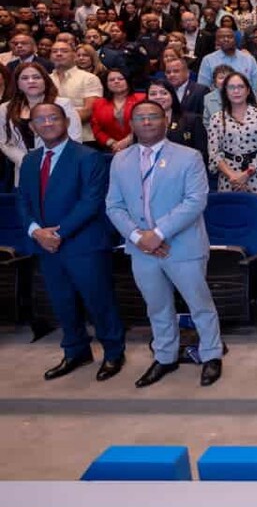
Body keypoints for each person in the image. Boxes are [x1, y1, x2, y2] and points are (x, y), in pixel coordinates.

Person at [105, 99, 223, 388]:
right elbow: (114, 206)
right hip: (141, 250)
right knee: (157, 306)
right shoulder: (120, 159)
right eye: (140, 117)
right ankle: (165, 356)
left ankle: (211, 354)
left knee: (200, 304)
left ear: (165, 120)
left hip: (182, 246)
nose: (147, 122)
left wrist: (157, 234)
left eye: (153, 116)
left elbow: (195, 201)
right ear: (131, 124)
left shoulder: (189, 157)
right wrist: (139, 237)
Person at [18, 102, 125, 381]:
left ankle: (113, 353)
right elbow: (23, 201)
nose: (47, 123)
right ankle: (76, 351)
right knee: (62, 302)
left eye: (53, 118)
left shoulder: (88, 157)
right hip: (46, 246)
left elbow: (91, 201)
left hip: (84, 244)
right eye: (41, 120)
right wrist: (35, 231)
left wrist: (57, 234)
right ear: (33, 127)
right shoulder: (30, 160)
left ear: (66, 122)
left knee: (99, 301)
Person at [1, 63, 83, 183]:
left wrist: (48, 160)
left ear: (45, 81)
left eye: (36, 77)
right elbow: (4, 142)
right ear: (17, 83)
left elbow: (75, 138)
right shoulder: (5, 108)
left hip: (60, 167)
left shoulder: (63, 104)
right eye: (25, 78)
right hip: (24, 169)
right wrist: (27, 161)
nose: (31, 81)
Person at [207, 72, 257, 203]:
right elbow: (214, 154)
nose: (236, 91)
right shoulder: (216, 118)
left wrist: (245, 175)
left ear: (248, 90)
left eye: (241, 87)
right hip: (228, 179)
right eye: (231, 87)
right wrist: (233, 176)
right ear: (225, 91)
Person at [48, 41, 102, 148]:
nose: (59, 54)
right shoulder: (45, 80)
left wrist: (54, 122)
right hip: (50, 139)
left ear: (74, 55)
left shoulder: (89, 78)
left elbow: (89, 110)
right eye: (54, 51)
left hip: (84, 138)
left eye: (64, 51)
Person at [145, 80, 208, 166]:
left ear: (172, 95)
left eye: (164, 93)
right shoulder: (142, 122)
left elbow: (202, 154)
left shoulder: (192, 120)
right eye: (153, 94)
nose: (158, 97)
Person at [91, 69, 145, 153]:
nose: (116, 81)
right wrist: (113, 143)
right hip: (112, 150)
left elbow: (146, 123)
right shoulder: (98, 103)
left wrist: (128, 140)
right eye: (111, 80)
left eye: (120, 79)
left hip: (139, 146)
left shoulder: (141, 98)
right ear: (106, 84)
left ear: (128, 81)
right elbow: (96, 129)